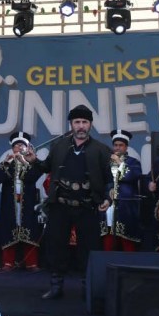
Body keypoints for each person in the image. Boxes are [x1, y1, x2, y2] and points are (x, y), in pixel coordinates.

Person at [24, 104, 113, 300]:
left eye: (84, 122)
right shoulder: (59, 146)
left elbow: (110, 178)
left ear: (90, 125)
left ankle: (88, 288)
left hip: (87, 206)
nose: (81, 126)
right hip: (60, 205)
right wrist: (33, 161)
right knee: (56, 246)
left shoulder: (101, 150)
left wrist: (108, 197)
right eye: (77, 122)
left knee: (88, 248)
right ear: (71, 124)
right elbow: (46, 167)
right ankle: (56, 286)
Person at [0, 131, 44, 271]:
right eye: (17, 145)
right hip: (10, 203)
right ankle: (8, 262)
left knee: (30, 228)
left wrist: (25, 162)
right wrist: (6, 163)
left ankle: (31, 263)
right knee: (9, 228)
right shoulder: (8, 162)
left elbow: (33, 176)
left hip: (27, 203)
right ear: (12, 148)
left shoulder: (32, 163)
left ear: (27, 148)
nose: (20, 147)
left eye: (22, 145)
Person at [101, 129, 143, 252]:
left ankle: (129, 262)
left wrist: (119, 162)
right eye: (115, 145)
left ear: (126, 147)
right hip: (109, 205)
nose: (118, 148)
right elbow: (103, 181)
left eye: (121, 145)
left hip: (126, 206)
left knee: (127, 239)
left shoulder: (134, 162)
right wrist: (107, 197)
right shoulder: (106, 163)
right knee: (108, 237)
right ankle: (107, 259)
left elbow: (130, 176)